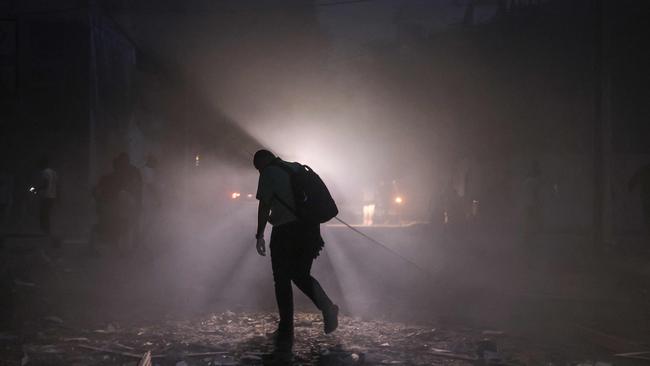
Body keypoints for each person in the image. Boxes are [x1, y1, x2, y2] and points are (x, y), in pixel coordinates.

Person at [253, 149, 339, 343]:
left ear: (262, 162)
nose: (259, 172)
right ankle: (327, 307)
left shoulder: (268, 172)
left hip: (286, 231)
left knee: (281, 279)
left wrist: (259, 235)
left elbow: (264, 206)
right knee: (300, 274)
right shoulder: (296, 168)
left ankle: (286, 329)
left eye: (258, 168)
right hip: (309, 229)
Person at [34, 157, 58, 247]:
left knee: (43, 214)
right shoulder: (54, 173)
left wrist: (35, 189)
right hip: (52, 196)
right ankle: (47, 232)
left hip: (46, 196)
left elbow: (45, 183)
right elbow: (57, 185)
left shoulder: (44, 172)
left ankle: (45, 232)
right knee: (46, 214)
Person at [629, 163, 650, 236]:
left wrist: (631, 186)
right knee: (647, 213)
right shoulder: (644, 169)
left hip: (646, 195)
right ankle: (648, 230)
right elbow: (635, 178)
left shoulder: (644, 169)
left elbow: (635, 178)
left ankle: (648, 230)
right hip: (646, 195)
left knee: (647, 213)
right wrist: (631, 185)